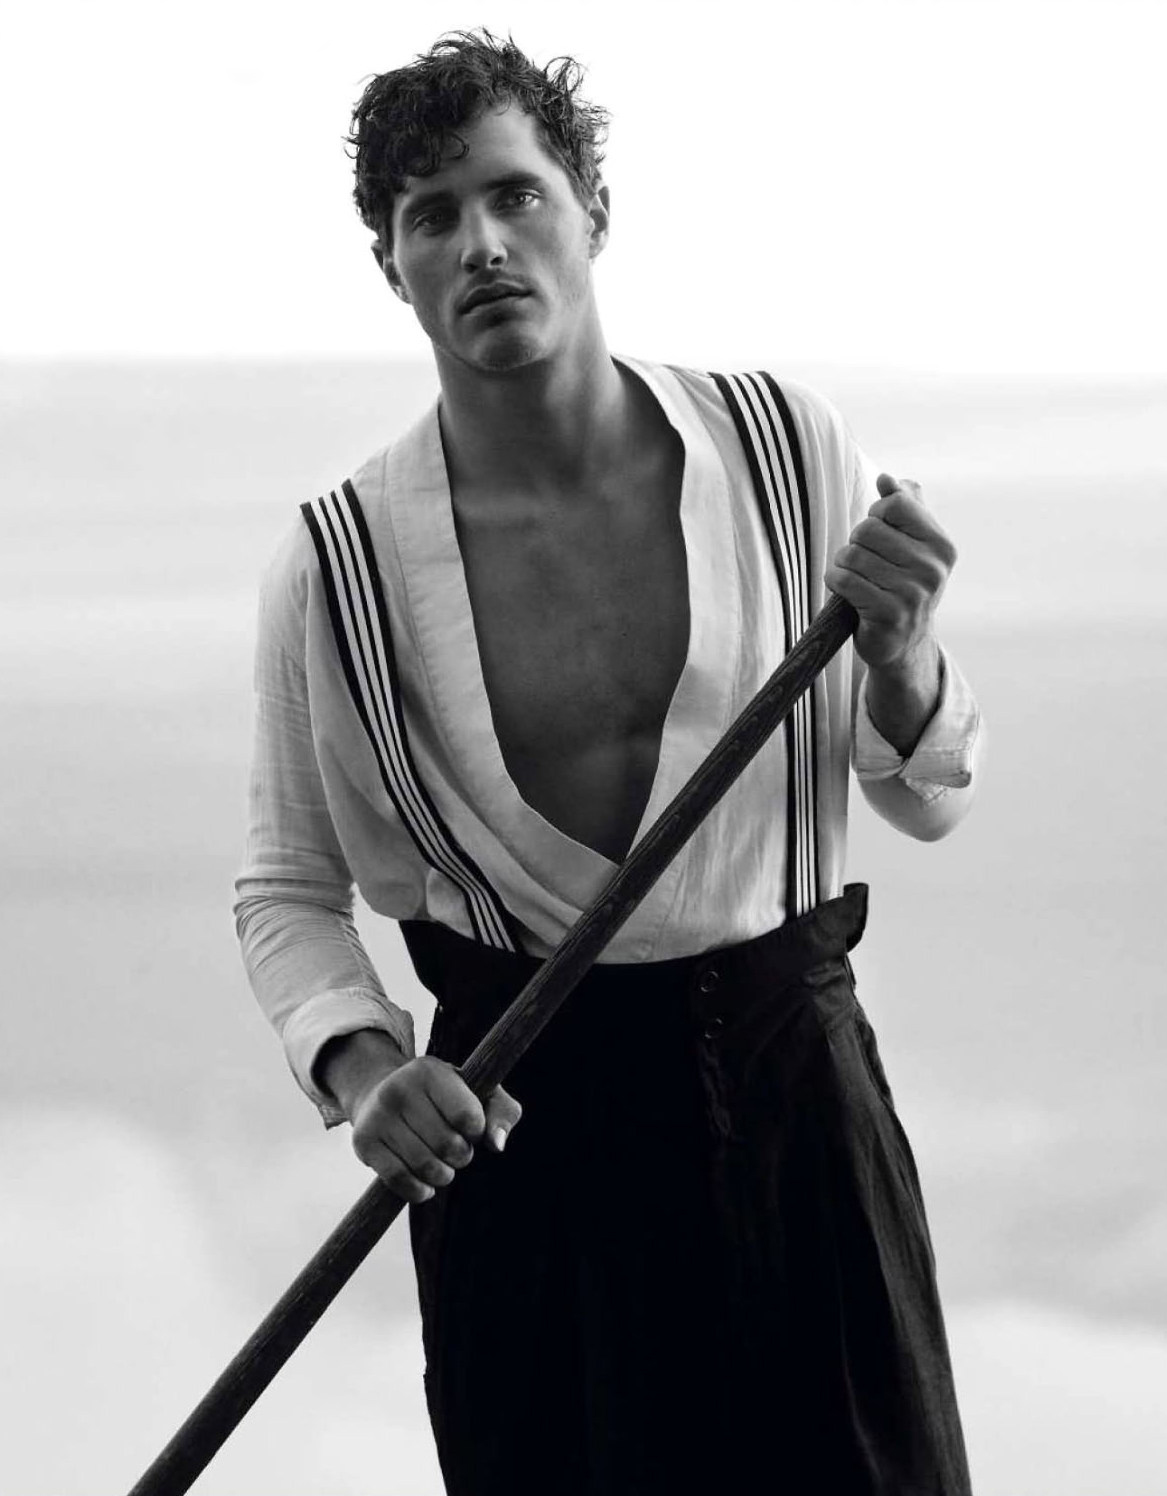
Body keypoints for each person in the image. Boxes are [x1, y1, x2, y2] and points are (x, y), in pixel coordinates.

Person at [235, 29, 982, 1496]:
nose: (481, 244)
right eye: (432, 217)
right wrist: (369, 1065)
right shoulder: (336, 568)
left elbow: (929, 795)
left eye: (515, 195)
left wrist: (900, 653)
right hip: (526, 1164)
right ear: (392, 267)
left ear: (593, 214)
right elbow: (284, 890)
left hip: (805, 1128)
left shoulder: (786, 451)